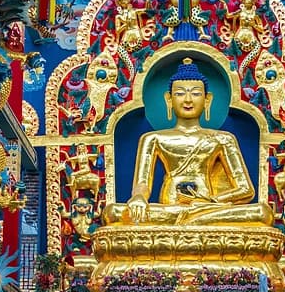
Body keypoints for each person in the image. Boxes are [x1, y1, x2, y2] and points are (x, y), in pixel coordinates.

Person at [102, 58, 273, 226]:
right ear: (169, 99)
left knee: (261, 213)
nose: (188, 100)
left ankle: (192, 221)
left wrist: (210, 201)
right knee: (114, 213)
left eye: (196, 93)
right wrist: (138, 197)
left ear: (208, 99)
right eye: (180, 93)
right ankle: (191, 222)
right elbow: (142, 183)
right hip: (168, 210)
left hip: (209, 207)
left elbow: (246, 190)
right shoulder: (152, 138)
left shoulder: (223, 139)